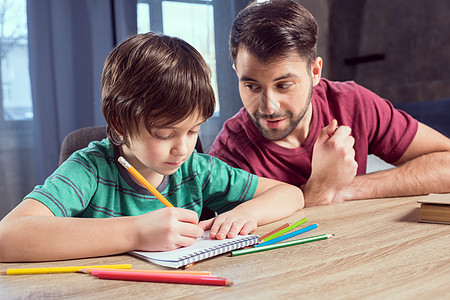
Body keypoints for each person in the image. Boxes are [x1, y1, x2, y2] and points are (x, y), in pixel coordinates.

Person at [0, 33, 303, 262]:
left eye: (193, 130)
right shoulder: (90, 169)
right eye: (163, 134)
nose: (182, 148)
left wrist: (246, 213)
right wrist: (137, 232)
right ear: (118, 123)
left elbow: (291, 194)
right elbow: (6, 237)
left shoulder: (197, 169)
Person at [209, 0, 450, 206]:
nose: (268, 106)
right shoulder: (229, 155)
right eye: (252, 86)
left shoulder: (352, 103)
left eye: (283, 85)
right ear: (237, 73)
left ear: (315, 72)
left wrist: (347, 189)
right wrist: (319, 189)